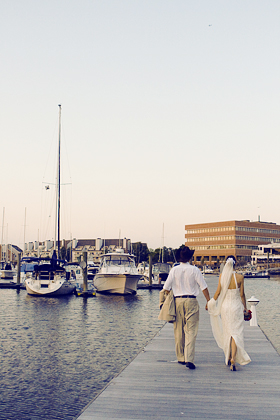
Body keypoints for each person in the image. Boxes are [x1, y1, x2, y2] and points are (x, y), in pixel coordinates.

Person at [163, 246, 210, 369]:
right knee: (191, 331)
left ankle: (180, 357)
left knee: (178, 331)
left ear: (179, 257)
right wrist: (208, 301)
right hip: (191, 301)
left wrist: (168, 300)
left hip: (178, 301)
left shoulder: (174, 270)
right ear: (190, 257)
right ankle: (189, 359)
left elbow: (166, 288)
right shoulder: (195, 270)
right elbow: (203, 287)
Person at [208, 255, 251, 371]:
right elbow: (242, 295)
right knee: (236, 333)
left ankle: (229, 356)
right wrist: (245, 308)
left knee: (228, 332)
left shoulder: (222, 276)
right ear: (235, 264)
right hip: (236, 307)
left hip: (225, 308)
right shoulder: (240, 277)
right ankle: (233, 358)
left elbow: (217, 293)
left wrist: (211, 303)